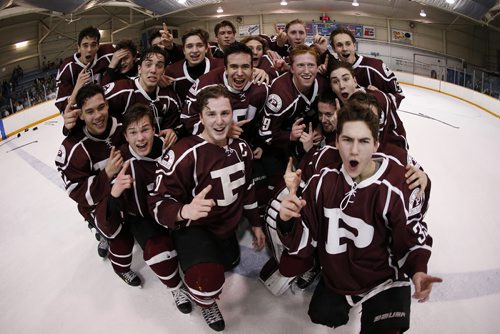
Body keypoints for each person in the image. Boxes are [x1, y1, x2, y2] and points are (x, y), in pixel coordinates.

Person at [277, 102, 442, 332]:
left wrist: (418, 269)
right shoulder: (322, 182)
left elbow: (411, 234)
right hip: (340, 278)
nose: (354, 150)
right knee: (322, 314)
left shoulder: (396, 183)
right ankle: (347, 297)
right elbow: (304, 242)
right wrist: (286, 220)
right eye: (347, 140)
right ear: (336, 141)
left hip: (384, 279)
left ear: (376, 144)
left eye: (364, 141)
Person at [149, 85, 266, 332]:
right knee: (207, 281)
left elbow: (247, 190)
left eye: (225, 113)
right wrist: (184, 212)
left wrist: (255, 223)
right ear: (200, 117)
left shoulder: (241, 148)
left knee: (230, 262)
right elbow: (157, 202)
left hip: (225, 228)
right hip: (195, 228)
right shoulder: (182, 153)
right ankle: (205, 301)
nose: (219, 121)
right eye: (211, 114)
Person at [55, 84, 142, 286]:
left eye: (101, 107)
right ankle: (120, 266)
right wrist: (107, 174)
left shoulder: (122, 126)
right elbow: (77, 193)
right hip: (98, 203)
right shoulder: (73, 149)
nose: (98, 115)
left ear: (108, 105)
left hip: (128, 191)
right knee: (120, 237)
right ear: (81, 115)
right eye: (90, 111)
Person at [108, 103, 192, 313]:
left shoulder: (170, 146)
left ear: (154, 129)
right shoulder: (119, 162)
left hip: (173, 207)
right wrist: (115, 192)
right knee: (158, 253)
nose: (141, 138)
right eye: (133, 132)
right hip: (142, 217)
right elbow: (107, 207)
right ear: (125, 136)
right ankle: (176, 287)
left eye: (145, 129)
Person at [258, 45, 328, 185]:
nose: (307, 71)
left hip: (303, 140)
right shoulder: (280, 96)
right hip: (276, 146)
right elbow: (264, 134)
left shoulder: (322, 84)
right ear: (291, 68)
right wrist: (289, 136)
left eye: (311, 65)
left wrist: (320, 128)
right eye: (300, 65)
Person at [103, 47, 181, 149]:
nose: (153, 70)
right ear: (139, 69)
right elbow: (91, 100)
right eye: (148, 65)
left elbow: (179, 126)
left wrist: (174, 132)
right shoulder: (121, 90)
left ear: (163, 72)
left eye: (159, 66)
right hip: (119, 151)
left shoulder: (169, 98)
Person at [328, 61, 408, 149]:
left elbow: (367, 144)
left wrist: (340, 127)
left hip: (394, 151)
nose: (341, 86)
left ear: (355, 81)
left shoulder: (374, 101)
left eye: (346, 79)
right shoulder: (341, 106)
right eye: (335, 82)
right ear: (331, 87)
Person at [328, 27, 405, 108]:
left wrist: (379, 97)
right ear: (334, 49)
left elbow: (399, 95)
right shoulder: (333, 71)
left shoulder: (376, 67)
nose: (344, 48)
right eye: (339, 45)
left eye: (348, 44)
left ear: (354, 46)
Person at [55, 26, 114, 113]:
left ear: (98, 46)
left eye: (93, 45)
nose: (89, 50)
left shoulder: (108, 54)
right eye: (85, 45)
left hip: (104, 107)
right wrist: (77, 87)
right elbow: (63, 106)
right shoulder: (67, 68)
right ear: (78, 48)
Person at [165, 28, 224, 107]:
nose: (195, 50)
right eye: (189, 46)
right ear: (183, 50)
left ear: (206, 48)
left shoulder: (221, 66)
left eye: (199, 45)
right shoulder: (172, 72)